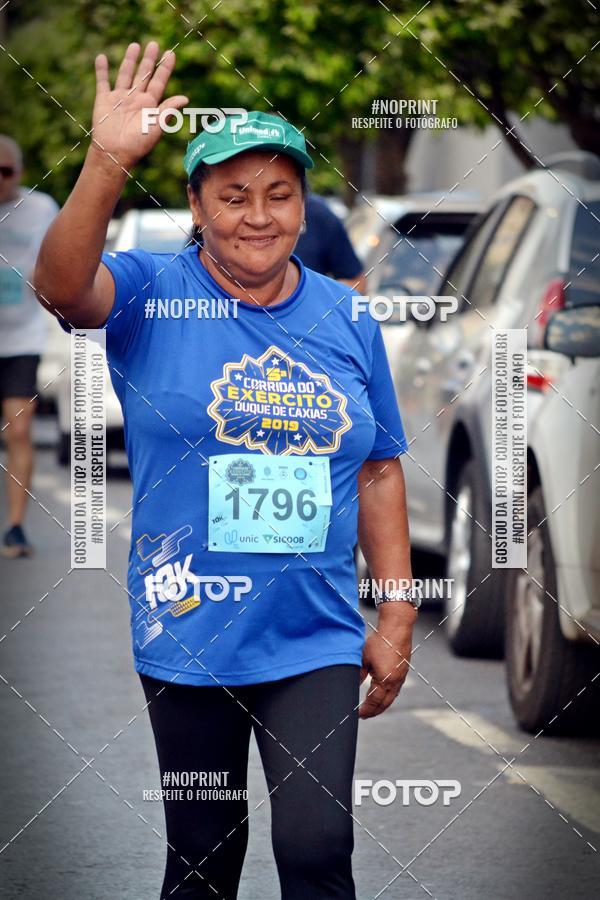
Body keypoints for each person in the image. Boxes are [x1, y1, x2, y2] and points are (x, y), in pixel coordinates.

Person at [34, 42, 417, 900]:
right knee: (205, 858)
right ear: (197, 207)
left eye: (279, 195)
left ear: (303, 206)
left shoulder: (346, 315)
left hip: (312, 631)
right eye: (233, 195)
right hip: (188, 629)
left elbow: (380, 468)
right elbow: (60, 288)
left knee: (318, 851)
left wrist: (395, 608)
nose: (258, 215)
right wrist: (104, 163)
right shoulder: (147, 293)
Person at [0, 135, 59, 558]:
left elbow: (59, 261)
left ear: (19, 173)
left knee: (19, 428)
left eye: (6, 171)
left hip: (22, 337)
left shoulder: (39, 209)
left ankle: (16, 526)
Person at [294, 192, 366, 292]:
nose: (264, 220)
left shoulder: (318, 214)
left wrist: (313, 298)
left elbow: (357, 283)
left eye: (279, 197)